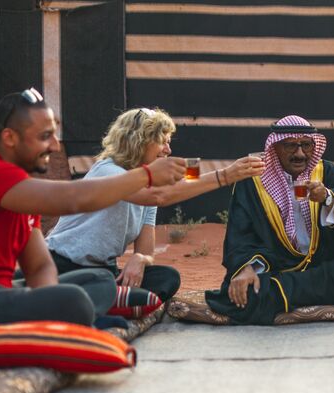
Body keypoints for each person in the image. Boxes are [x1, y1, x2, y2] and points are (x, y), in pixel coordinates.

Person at [0, 88, 184, 328]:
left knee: (97, 282)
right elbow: (76, 199)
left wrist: (50, 303)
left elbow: (40, 266)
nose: (54, 146)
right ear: (10, 138)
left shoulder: (22, 191)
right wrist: (151, 175)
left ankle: (91, 307)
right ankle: (95, 308)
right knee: (77, 298)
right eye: (45, 136)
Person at [45, 107, 264, 312]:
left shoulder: (149, 187)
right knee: (108, 286)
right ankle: (95, 301)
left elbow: (146, 251)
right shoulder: (109, 171)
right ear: (139, 141)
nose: (168, 150)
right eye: (162, 142)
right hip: (63, 264)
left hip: (103, 271)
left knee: (167, 278)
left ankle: (101, 301)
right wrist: (224, 176)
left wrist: (140, 259)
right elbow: (160, 196)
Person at [206, 115, 334, 325]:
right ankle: (328, 291)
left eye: (306, 145)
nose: (300, 154)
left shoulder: (326, 172)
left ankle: (286, 294)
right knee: (242, 293)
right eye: (290, 146)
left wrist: (328, 199)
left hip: (328, 262)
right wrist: (247, 268)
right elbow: (240, 235)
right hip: (278, 266)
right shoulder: (253, 182)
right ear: (275, 148)